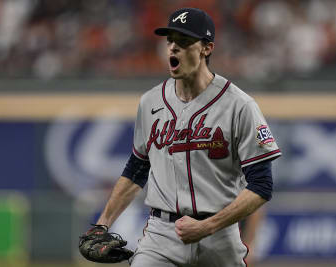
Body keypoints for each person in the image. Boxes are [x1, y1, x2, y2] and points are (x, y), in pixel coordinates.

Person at [94, 7, 281, 267]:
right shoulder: (150, 102)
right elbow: (137, 169)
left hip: (219, 233)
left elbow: (261, 185)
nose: (173, 48)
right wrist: (102, 224)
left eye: (183, 42)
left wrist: (208, 226)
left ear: (207, 48)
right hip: (162, 233)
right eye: (170, 40)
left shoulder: (240, 105)